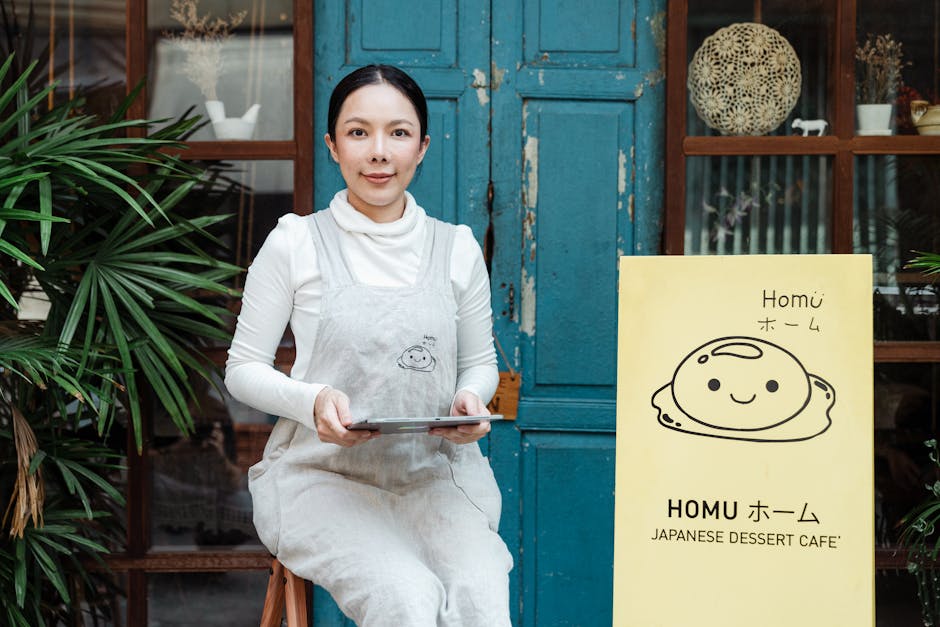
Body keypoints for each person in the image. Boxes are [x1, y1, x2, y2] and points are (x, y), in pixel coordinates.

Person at [224, 64, 512, 627]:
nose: (379, 152)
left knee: (481, 595)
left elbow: (479, 366)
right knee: (404, 595)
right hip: (320, 476)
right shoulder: (294, 243)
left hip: (434, 476)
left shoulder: (455, 249)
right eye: (358, 132)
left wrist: (470, 401)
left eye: (398, 133)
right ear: (332, 146)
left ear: (422, 147)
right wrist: (311, 401)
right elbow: (242, 370)